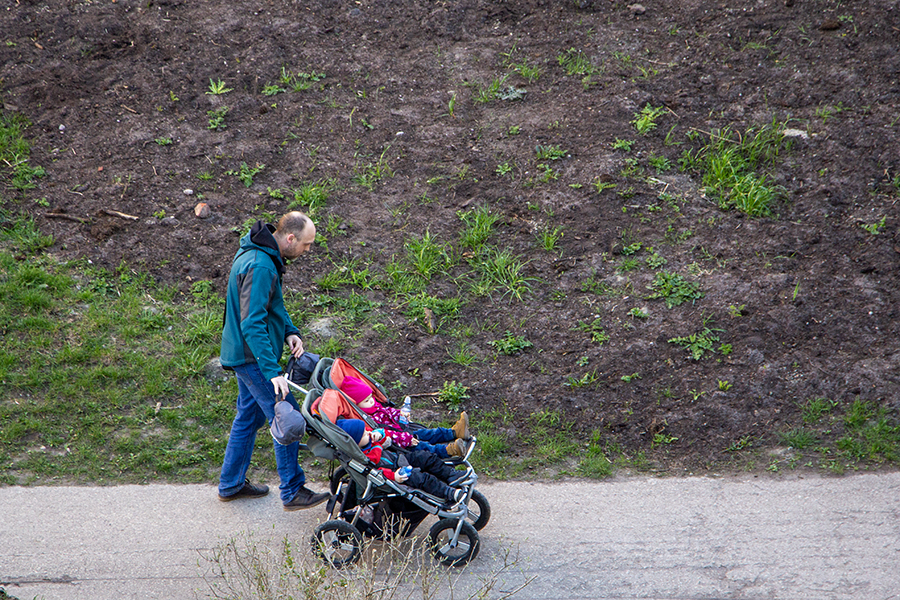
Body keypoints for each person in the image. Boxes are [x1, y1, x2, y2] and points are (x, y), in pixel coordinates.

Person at [217, 211, 330, 511]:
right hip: (252, 356)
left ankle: (231, 483)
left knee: (249, 416)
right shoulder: (261, 265)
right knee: (288, 416)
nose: (308, 251)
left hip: (245, 352)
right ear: (290, 238)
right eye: (306, 244)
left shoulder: (263, 255)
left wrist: (290, 332)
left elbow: (273, 304)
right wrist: (272, 371)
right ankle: (292, 490)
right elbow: (252, 323)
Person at [335, 419, 466, 506]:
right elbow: (377, 472)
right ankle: (449, 493)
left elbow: (386, 440)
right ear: (356, 444)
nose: (368, 433)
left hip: (400, 459)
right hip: (396, 472)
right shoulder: (364, 457)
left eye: (367, 430)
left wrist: (380, 436)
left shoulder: (369, 441)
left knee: (425, 456)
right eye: (364, 434)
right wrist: (394, 476)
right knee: (422, 478)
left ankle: (451, 474)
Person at [341, 375, 472, 459]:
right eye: (366, 401)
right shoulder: (368, 420)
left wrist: (400, 414)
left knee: (427, 433)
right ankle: (449, 450)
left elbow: (388, 411)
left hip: (403, 431)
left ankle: (454, 432)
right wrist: (406, 439)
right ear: (356, 405)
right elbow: (386, 433)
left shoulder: (375, 408)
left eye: (371, 398)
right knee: (424, 447)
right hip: (400, 442)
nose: (371, 402)